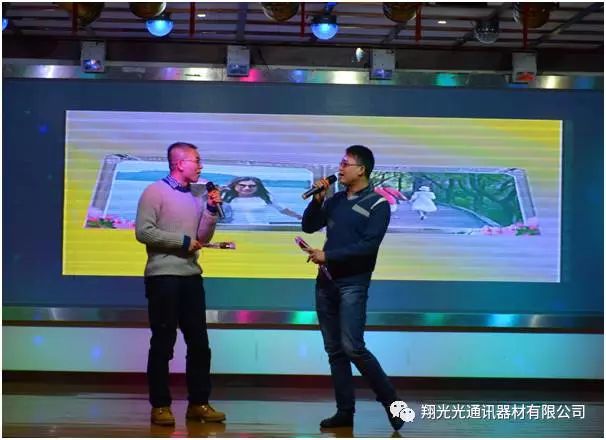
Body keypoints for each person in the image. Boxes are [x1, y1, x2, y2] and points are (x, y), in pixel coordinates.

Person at [301, 145, 404, 431]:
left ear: (361, 169)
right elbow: (309, 226)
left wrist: (328, 256)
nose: (340, 168)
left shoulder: (378, 204)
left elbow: (368, 246)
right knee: (335, 351)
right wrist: (317, 201)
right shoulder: (335, 200)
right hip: (326, 282)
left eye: (345, 164)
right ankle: (344, 412)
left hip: (353, 284)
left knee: (353, 348)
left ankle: (394, 406)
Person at [135, 142, 226, 426]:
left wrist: (210, 210)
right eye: (196, 160)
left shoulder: (197, 195)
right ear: (179, 163)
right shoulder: (155, 192)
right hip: (163, 276)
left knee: (199, 343)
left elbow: (203, 237)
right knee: (163, 342)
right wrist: (182, 242)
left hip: (191, 276)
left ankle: (199, 403)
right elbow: (143, 232)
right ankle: (160, 405)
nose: (201, 166)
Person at [221, 176, 302, 224]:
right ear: (235, 186)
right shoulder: (226, 197)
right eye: (242, 185)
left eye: (251, 186)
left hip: (260, 228)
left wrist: (300, 217)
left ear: (257, 187)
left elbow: (283, 209)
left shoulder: (265, 197)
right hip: (233, 228)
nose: (247, 188)